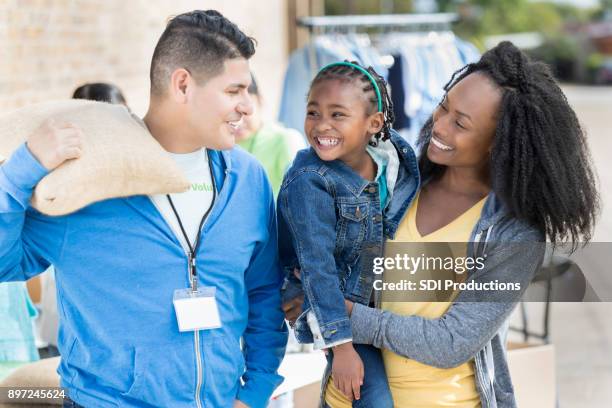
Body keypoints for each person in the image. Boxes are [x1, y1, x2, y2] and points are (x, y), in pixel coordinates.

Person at [283, 42, 599, 407]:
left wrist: (342, 313)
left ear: (500, 144)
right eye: (444, 105)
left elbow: (449, 342)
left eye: (460, 123)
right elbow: (323, 259)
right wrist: (310, 300)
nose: (439, 124)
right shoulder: (396, 180)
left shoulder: (514, 234)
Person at [0, 10, 287, 408]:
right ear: (183, 84)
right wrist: (20, 172)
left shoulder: (248, 179)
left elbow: (264, 294)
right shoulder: (85, 184)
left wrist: (253, 394)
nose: (247, 107)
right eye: (233, 90)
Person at [277, 61, 420, 407]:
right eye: (313, 112)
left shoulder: (394, 158)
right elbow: (317, 267)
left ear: (374, 124)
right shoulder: (309, 181)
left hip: (376, 296)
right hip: (330, 305)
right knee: (374, 397)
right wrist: (341, 348)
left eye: (338, 115)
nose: (321, 125)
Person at [235, 74, 306, 197]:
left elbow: (303, 193)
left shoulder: (285, 139)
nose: (238, 122)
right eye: (231, 113)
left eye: (244, 111)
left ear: (260, 100)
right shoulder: (215, 147)